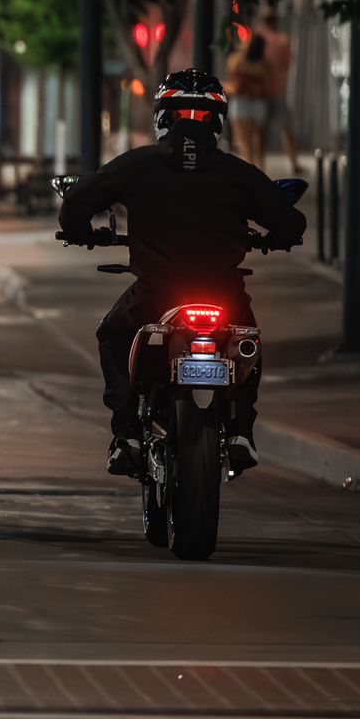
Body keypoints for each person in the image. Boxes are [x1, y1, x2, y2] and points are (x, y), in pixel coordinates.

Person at [57, 68, 305, 478]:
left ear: (162, 116)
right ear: (219, 120)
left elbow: (77, 202)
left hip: (155, 294)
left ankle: (127, 436)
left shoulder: (138, 164)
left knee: (113, 335)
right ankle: (241, 431)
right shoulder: (238, 172)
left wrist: (80, 232)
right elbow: (291, 223)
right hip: (224, 294)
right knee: (248, 346)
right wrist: (277, 236)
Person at [256, 9, 301, 174]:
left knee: (261, 131)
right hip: (278, 90)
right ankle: (294, 163)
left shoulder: (256, 39)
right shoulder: (282, 40)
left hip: (259, 91)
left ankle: (260, 164)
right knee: (287, 128)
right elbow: (287, 64)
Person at [225, 33, 271, 164]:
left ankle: (250, 168)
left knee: (244, 143)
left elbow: (235, 85)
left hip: (241, 103)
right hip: (258, 103)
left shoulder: (237, 60)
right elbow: (267, 85)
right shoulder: (264, 64)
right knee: (258, 142)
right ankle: (260, 168)